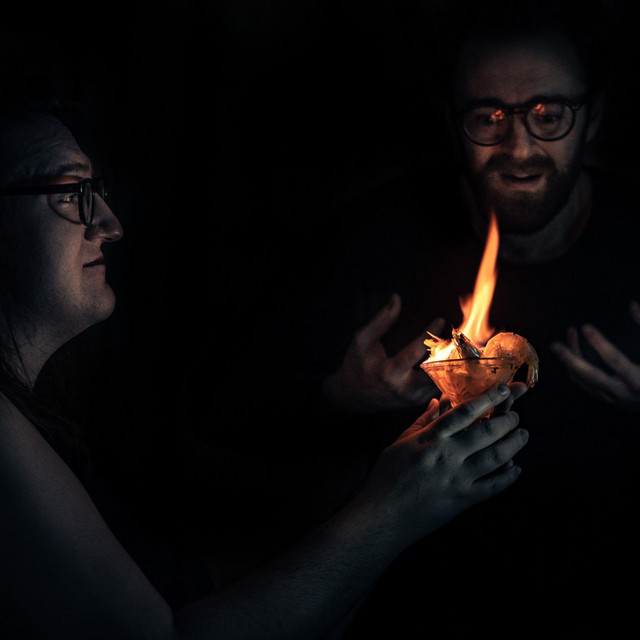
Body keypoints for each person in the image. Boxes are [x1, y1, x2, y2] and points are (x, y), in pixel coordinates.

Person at [0, 102, 530, 638]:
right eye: (68, 193)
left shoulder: (43, 423)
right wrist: (390, 512)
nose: (110, 225)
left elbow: (199, 593)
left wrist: (398, 498)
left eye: (95, 190)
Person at [276, 2, 640, 636]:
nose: (519, 148)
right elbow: (228, 414)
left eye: (549, 114)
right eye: (488, 117)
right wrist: (339, 396)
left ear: (594, 117)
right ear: (453, 122)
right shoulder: (368, 240)